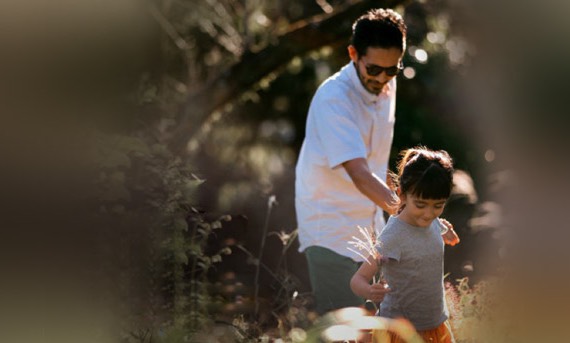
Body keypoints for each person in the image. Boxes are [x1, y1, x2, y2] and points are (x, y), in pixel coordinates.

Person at [295, 8, 459, 314]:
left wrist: (412, 208)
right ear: (353, 53)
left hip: (373, 224)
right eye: (374, 70)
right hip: (330, 230)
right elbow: (359, 172)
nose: (382, 78)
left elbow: (375, 162)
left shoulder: (385, 84)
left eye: (392, 70)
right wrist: (418, 216)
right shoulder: (334, 99)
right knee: (346, 327)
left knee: (380, 327)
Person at [351, 147, 457, 342]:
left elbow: (436, 224)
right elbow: (357, 279)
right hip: (401, 332)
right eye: (420, 205)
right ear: (401, 194)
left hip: (434, 325)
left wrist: (447, 231)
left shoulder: (432, 221)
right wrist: (369, 291)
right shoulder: (394, 235)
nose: (428, 213)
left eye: (438, 205)